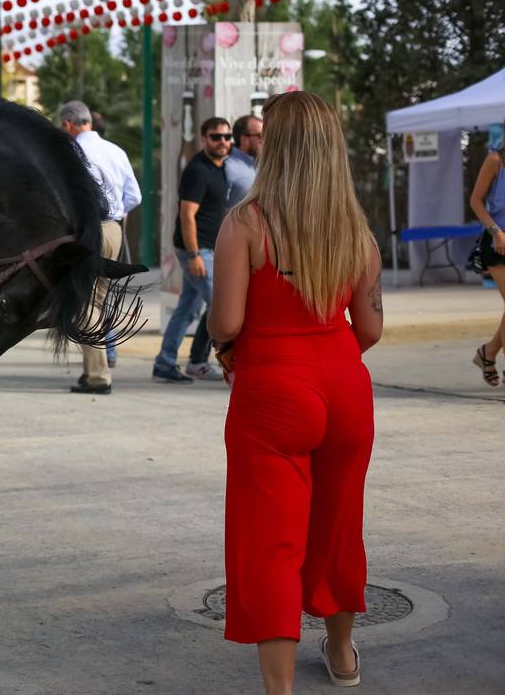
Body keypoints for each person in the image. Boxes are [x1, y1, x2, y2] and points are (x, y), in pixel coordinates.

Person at [208, 91, 382, 695]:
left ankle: (280, 689)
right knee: (339, 529)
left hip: (273, 389)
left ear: (275, 147)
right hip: (345, 386)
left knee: (271, 543)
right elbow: (370, 328)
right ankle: (343, 656)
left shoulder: (246, 223)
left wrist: (230, 349)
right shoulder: (356, 232)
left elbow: (227, 322)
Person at [58, 100, 140, 394]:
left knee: (85, 303)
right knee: (98, 300)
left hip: (87, 231)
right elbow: (135, 196)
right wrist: (116, 213)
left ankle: (98, 376)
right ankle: (90, 370)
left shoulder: (71, 153)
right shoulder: (116, 151)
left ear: (67, 124)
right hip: (113, 229)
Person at [153, 117, 232, 383]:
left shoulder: (221, 167)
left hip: (209, 249)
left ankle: (166, 362)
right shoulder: (198, 171)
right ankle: (233, 364)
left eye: (226, 137)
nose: (222, 142)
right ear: (204, 139)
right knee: (223, 307)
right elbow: (187, 215)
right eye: (216, 137)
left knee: (187, 308)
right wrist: (194, 255)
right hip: (198, 250)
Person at [468, 145, 505, 385]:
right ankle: (488, 353)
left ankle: (488, 352)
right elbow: (476, 201)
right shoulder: (496, 160)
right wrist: (496, 232)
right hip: (498, 242)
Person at [225, 114, 263, 207]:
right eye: (260, 135)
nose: (264, 140)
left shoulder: (261, 164)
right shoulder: (228, 167)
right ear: (244, 139)